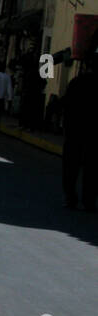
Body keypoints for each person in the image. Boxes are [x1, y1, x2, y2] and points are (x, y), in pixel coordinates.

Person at [62, 54, 98, 210]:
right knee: (93, 169)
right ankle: (89, 201)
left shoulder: (76, 83)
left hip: (74, 132)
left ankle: (71, 198)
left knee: (70, 168)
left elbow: (66, 105)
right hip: (94, 135)